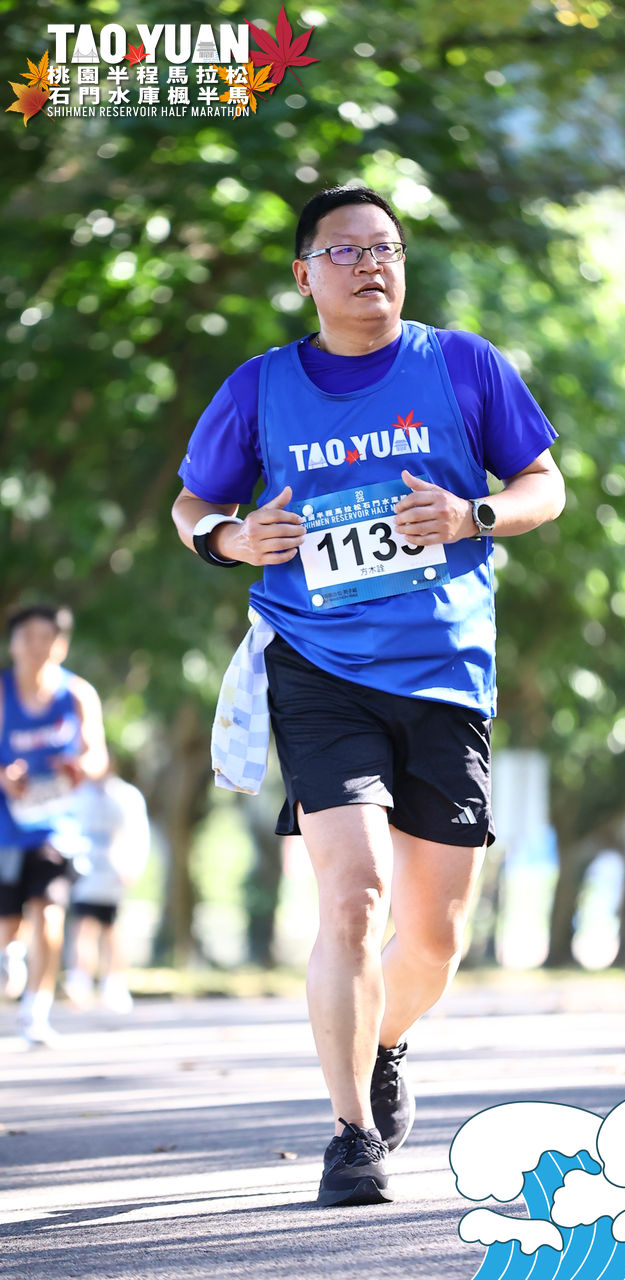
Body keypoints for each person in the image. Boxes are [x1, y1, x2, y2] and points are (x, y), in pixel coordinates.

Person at [171, 186, 565, 1206]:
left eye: (384, 247)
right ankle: (352, 1137)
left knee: (434, 938)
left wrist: (474, 513)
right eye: (344, 251)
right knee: (352, 896)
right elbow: (194, 502)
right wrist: (229, 538)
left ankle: (384, 1037)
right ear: (304, 273)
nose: (369, 265)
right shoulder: (260, 387)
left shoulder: (463, 365)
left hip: (445, 674)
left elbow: (543, 484)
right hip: (318, 667)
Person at [0, 604, 108, 1044]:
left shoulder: (77, 694)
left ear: (61, 645)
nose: (36, 646)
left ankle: (37, 1012)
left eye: (46, 637)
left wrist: (80, 767)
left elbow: (98, 757)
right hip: (6, 828)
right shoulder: (3, 693)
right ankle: (11, 955)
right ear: (12, 643)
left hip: (57, 829)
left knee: (49, 915)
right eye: (27, 636)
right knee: (9, 924)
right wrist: (5, 777)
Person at [64, 764, 150, 1013]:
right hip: (83, 872)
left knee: (112, 928)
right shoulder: (78, 793)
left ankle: (114, 983)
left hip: (114, 873)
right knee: (83, 927)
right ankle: (80, 980)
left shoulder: (127, 795)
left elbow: (138, 833)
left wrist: (134, 865)